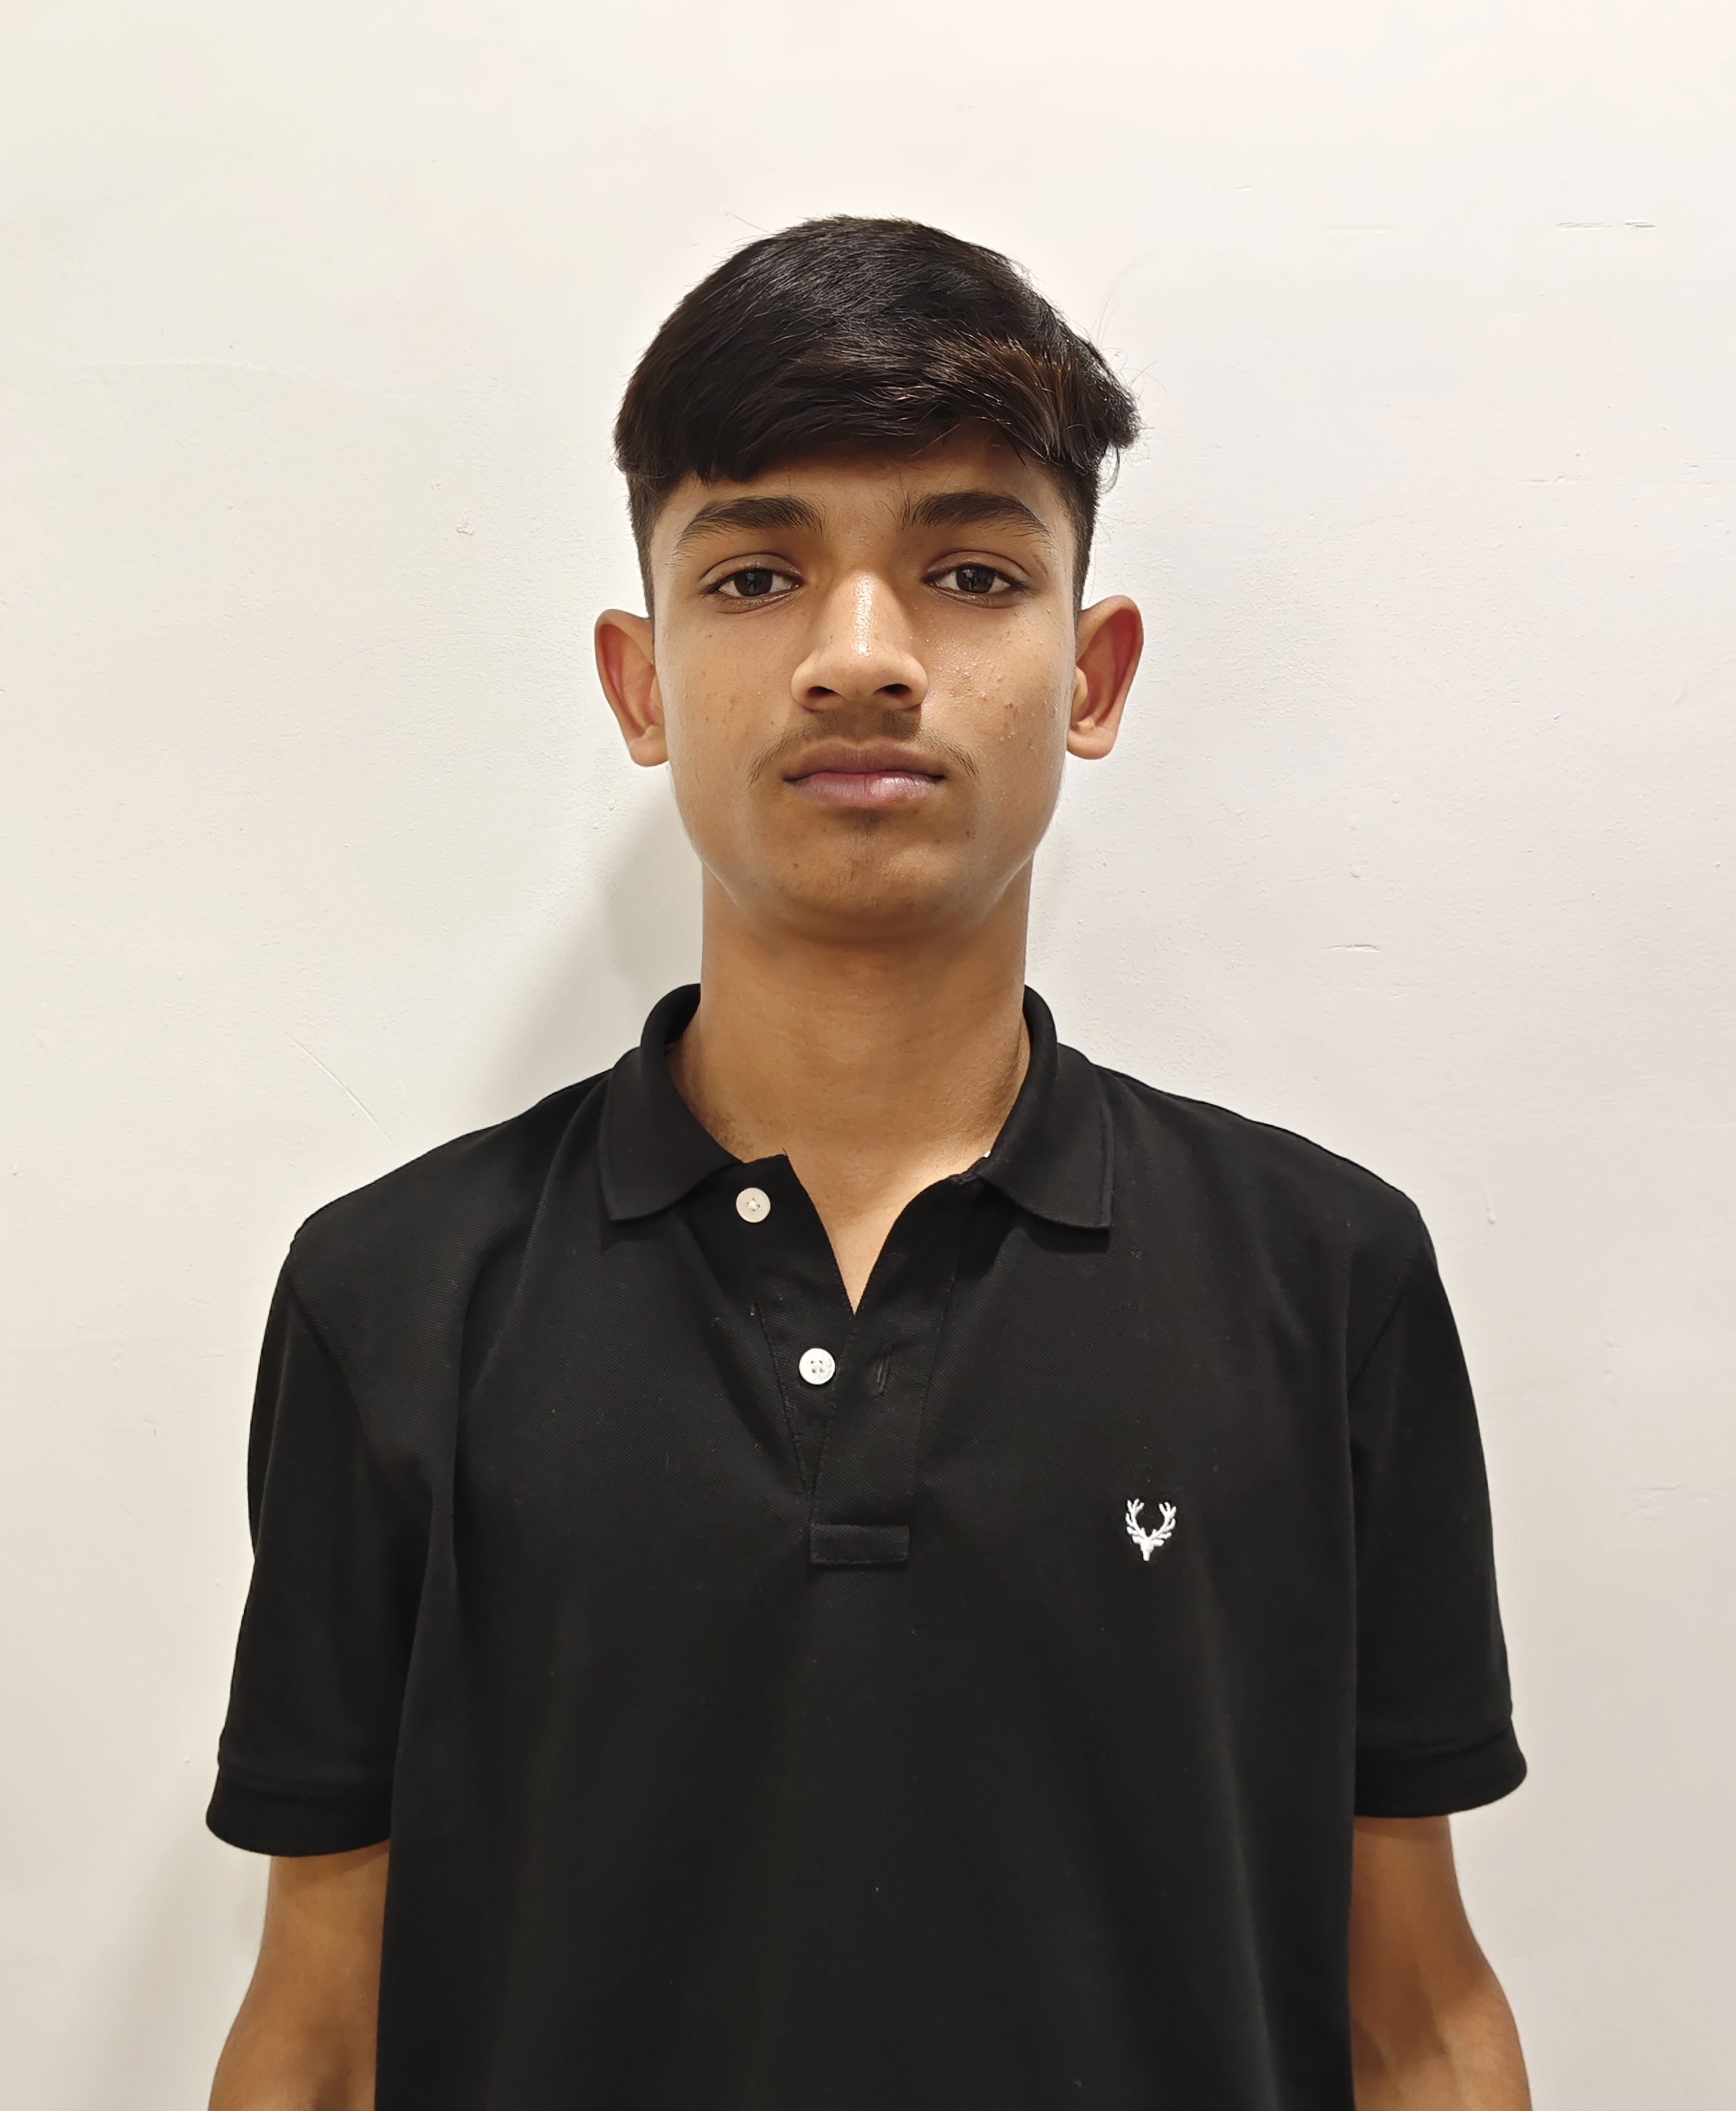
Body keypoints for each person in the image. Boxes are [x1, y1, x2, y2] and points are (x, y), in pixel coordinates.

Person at [206, 216, 1530, 2110]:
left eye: (969, 572)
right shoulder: (396, 1295)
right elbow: (322, 2032)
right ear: (641, 683)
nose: (858, 657)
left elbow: (1419, 2016)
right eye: (755, 574)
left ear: (1093, 674)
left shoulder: (1324, 1278)